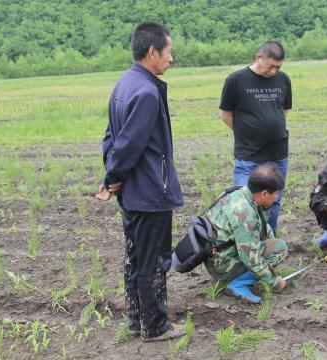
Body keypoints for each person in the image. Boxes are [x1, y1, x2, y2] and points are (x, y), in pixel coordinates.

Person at [95, 22, 185, 342]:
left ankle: (136, 319)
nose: (171, 58)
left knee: (134, 257)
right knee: (153, 261)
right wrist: (113, 177)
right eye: (169, 51)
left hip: (133, 192)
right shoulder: (147, 91)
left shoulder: (124, 83)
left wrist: (113, 177)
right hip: (149, 190)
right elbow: (129, 143)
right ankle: (155, 326)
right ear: (152, 52)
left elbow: (111, 139)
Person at [219, 40, 292, 234]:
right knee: (244, 204)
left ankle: (269, 241)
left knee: (273, 202)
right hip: (249, 156)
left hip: (278, 155)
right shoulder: (236, 80)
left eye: (278, 67)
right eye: (270, 66)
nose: (274, 71)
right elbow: (225, 114)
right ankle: (246, 246)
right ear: (258, 57)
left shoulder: (283, 80)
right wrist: (246, 133)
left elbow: (284, 110)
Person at [204, 163, 288, 304]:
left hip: (216, 255)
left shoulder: (240, 193)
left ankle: (235, 277)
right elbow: (252, 260)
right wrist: (275, 282)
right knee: (280, 248)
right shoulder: (245, 215)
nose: (277, 197)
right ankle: (237, 284)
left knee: (272, 243)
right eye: (275, 193)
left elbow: (264, 228)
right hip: (220, 265)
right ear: (264, 193)